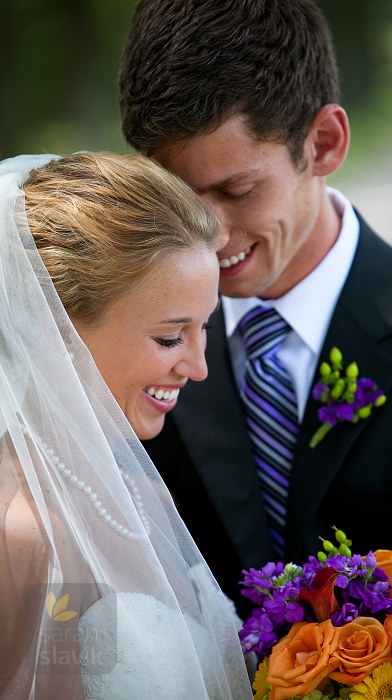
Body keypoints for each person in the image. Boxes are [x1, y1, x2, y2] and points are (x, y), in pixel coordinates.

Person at [118, 0, 392, 615]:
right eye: (179, 197)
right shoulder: (124, 344)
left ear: (324, 144)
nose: (211, 235)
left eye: (237, 191)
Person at [0, 152, 253, 699]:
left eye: (203, 328)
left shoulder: (142, 491)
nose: (199, 367)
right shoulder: (21, 533)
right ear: (57, 329)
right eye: (170, 337)